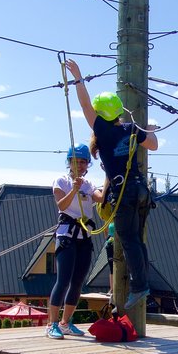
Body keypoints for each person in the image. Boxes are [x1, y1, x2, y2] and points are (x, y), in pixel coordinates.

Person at [66, 59, 158, 314]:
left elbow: (85, 106)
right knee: (137, 240)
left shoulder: (103, 132)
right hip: (141, 190)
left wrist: (78, 79)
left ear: (102, 114)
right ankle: (141, 284)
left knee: (128, 240)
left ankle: (140, 286)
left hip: (123, 194)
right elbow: (154, 145)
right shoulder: (130, 129)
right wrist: (147, 129)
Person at [47, 144, 105, 339]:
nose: (79, 165)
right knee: (63, 280)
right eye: (75, 162)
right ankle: (52, 324)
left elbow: (100, 198)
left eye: (83, 162)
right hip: (66, 235)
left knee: (78, 282)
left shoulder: (88, 185)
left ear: (87, 164)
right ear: (69, 163)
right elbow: (61, 205)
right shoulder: (61, 181)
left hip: (84, 235)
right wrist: (74, 189)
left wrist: (108, 176)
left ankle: (66, 322)